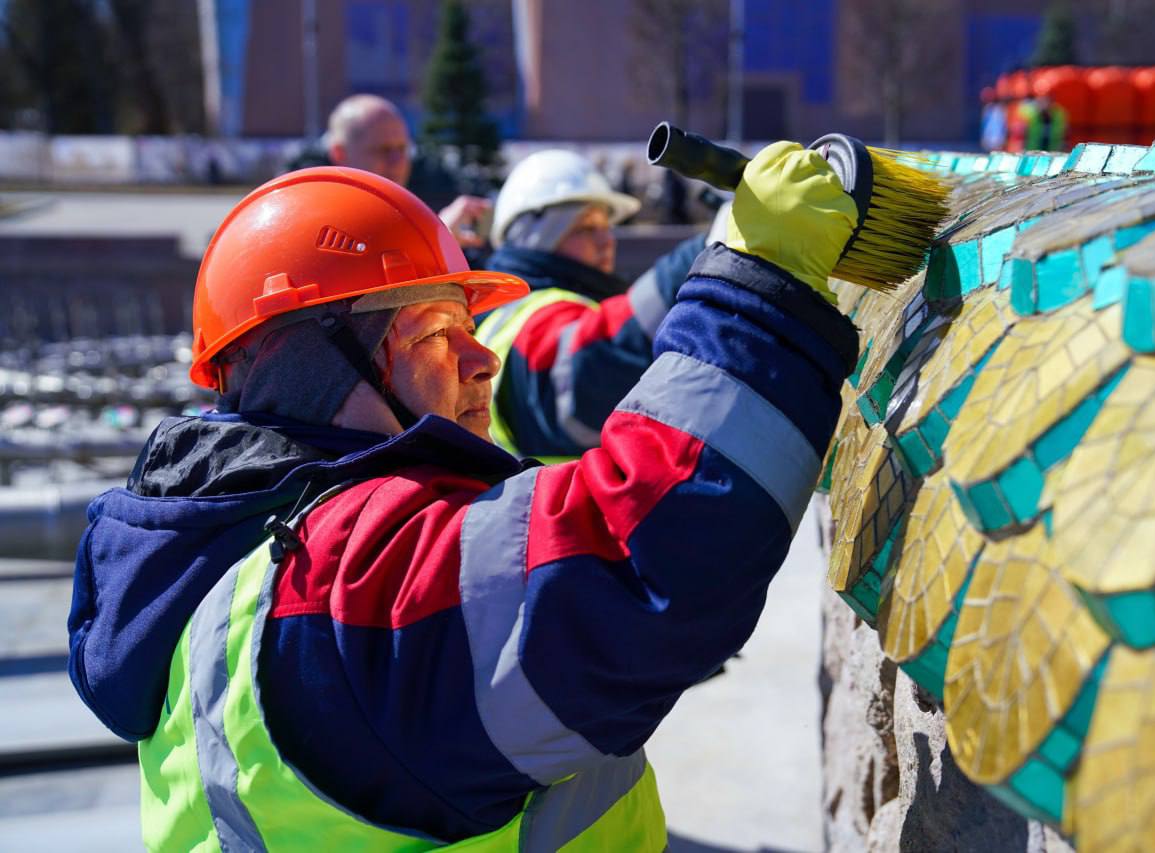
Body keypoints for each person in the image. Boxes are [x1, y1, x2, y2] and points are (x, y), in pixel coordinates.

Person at [66, 148, 860, 849]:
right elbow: (635, 561)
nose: (483, 360)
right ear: (319, 368)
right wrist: (761, 289)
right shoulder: (338, 577)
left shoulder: (216, 547)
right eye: (435, 331)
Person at [477, 149, 707, 460]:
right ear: (538, 238)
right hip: (562, 508)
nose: (606, 240)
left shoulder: (496, 313)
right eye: (586, 227)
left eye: (606, 226)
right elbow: (595, 365)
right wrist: (703, 254)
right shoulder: (539, 318)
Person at [327, 93, 490, 248]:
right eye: (383, 150)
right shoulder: (322, 225)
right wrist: (439, 239)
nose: (398, 161)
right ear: (340, 154)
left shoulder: (410, 212)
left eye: (402, 148)